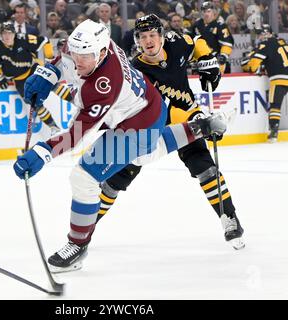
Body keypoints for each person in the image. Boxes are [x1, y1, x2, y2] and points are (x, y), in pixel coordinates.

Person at [13, 19, 228, 273]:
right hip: (149, 105)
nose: (77, 60)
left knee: (84, 178)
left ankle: (77, 245)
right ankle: (198, 128)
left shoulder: (104, 85)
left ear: (103, 53)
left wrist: (43, 152)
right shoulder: (99, 44)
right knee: (143, 155)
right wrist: (47, 73)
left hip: (137, 124)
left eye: (85, 56)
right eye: (76, 52)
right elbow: (67, 59)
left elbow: (76, 134)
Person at [94, 13, 244, 252]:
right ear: (138, 41)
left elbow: (197, 43)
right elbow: (153, 109)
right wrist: (197, 122)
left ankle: (230, 219)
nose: (148, 40)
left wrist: (208, 60)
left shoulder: (177, 43)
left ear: (162, 36)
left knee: (206, 169)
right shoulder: (137, 71)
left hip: (187, 119)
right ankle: (87, 226)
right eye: (143, 37)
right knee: (117, 178)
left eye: (152, 34)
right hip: (152, 126)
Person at [0, 22, 60, 132]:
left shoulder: (22, 39)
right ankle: (54, 127)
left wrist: (50, 59)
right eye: (4, 33)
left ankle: (76, 101)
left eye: (9, 33)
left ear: (14, 33)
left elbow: (45, 41)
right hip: (19, 80)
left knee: (53, 85)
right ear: (1, 35)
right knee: (36, 105)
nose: (7, 36)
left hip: (33, 70)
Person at [241, 24, 288, 142]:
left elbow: (252, 66)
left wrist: (247, 65)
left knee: (274, 105)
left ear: (267, 34)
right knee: (277, 102)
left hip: (280, 77)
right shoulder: (280, 40)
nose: (260, 36)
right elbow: (274, 57)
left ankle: (274, 131)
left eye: (261, 34)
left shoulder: (265, 44)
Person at [191, 1, 234, 74]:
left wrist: (223, 56)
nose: (206, 14)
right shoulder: (197, 25)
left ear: (214, 12)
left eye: (208, 11)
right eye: (204, 11)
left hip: (216, 60)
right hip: (201, 61)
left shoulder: (220, 25)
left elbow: (227, 44)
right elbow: (193, 44)